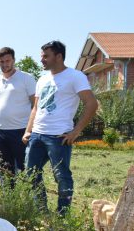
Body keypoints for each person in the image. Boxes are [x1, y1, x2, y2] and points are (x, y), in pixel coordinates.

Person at [22, 40, 98, 214]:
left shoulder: (75, 76)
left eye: (45, 56)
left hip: (58, 137)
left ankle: (62, 214)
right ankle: (42, 211)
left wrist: (76, 131)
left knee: (61, 176)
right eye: (41, 56)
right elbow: (36, 107)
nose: (42, 60)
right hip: (37, 135)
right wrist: (28, 130)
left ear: (58, 56)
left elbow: (91, 104)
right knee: (31, 174)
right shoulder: (42, 79)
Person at [0, 47, 36, 187]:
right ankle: (8, 200)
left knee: (25, 169)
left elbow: (35, 105)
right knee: (4, 170)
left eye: (7, 61)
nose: (5, 64)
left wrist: (31, 129)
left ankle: (27, 202)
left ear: (14, 60)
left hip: (21, 131)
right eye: (1, 61)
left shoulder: (26, 78)